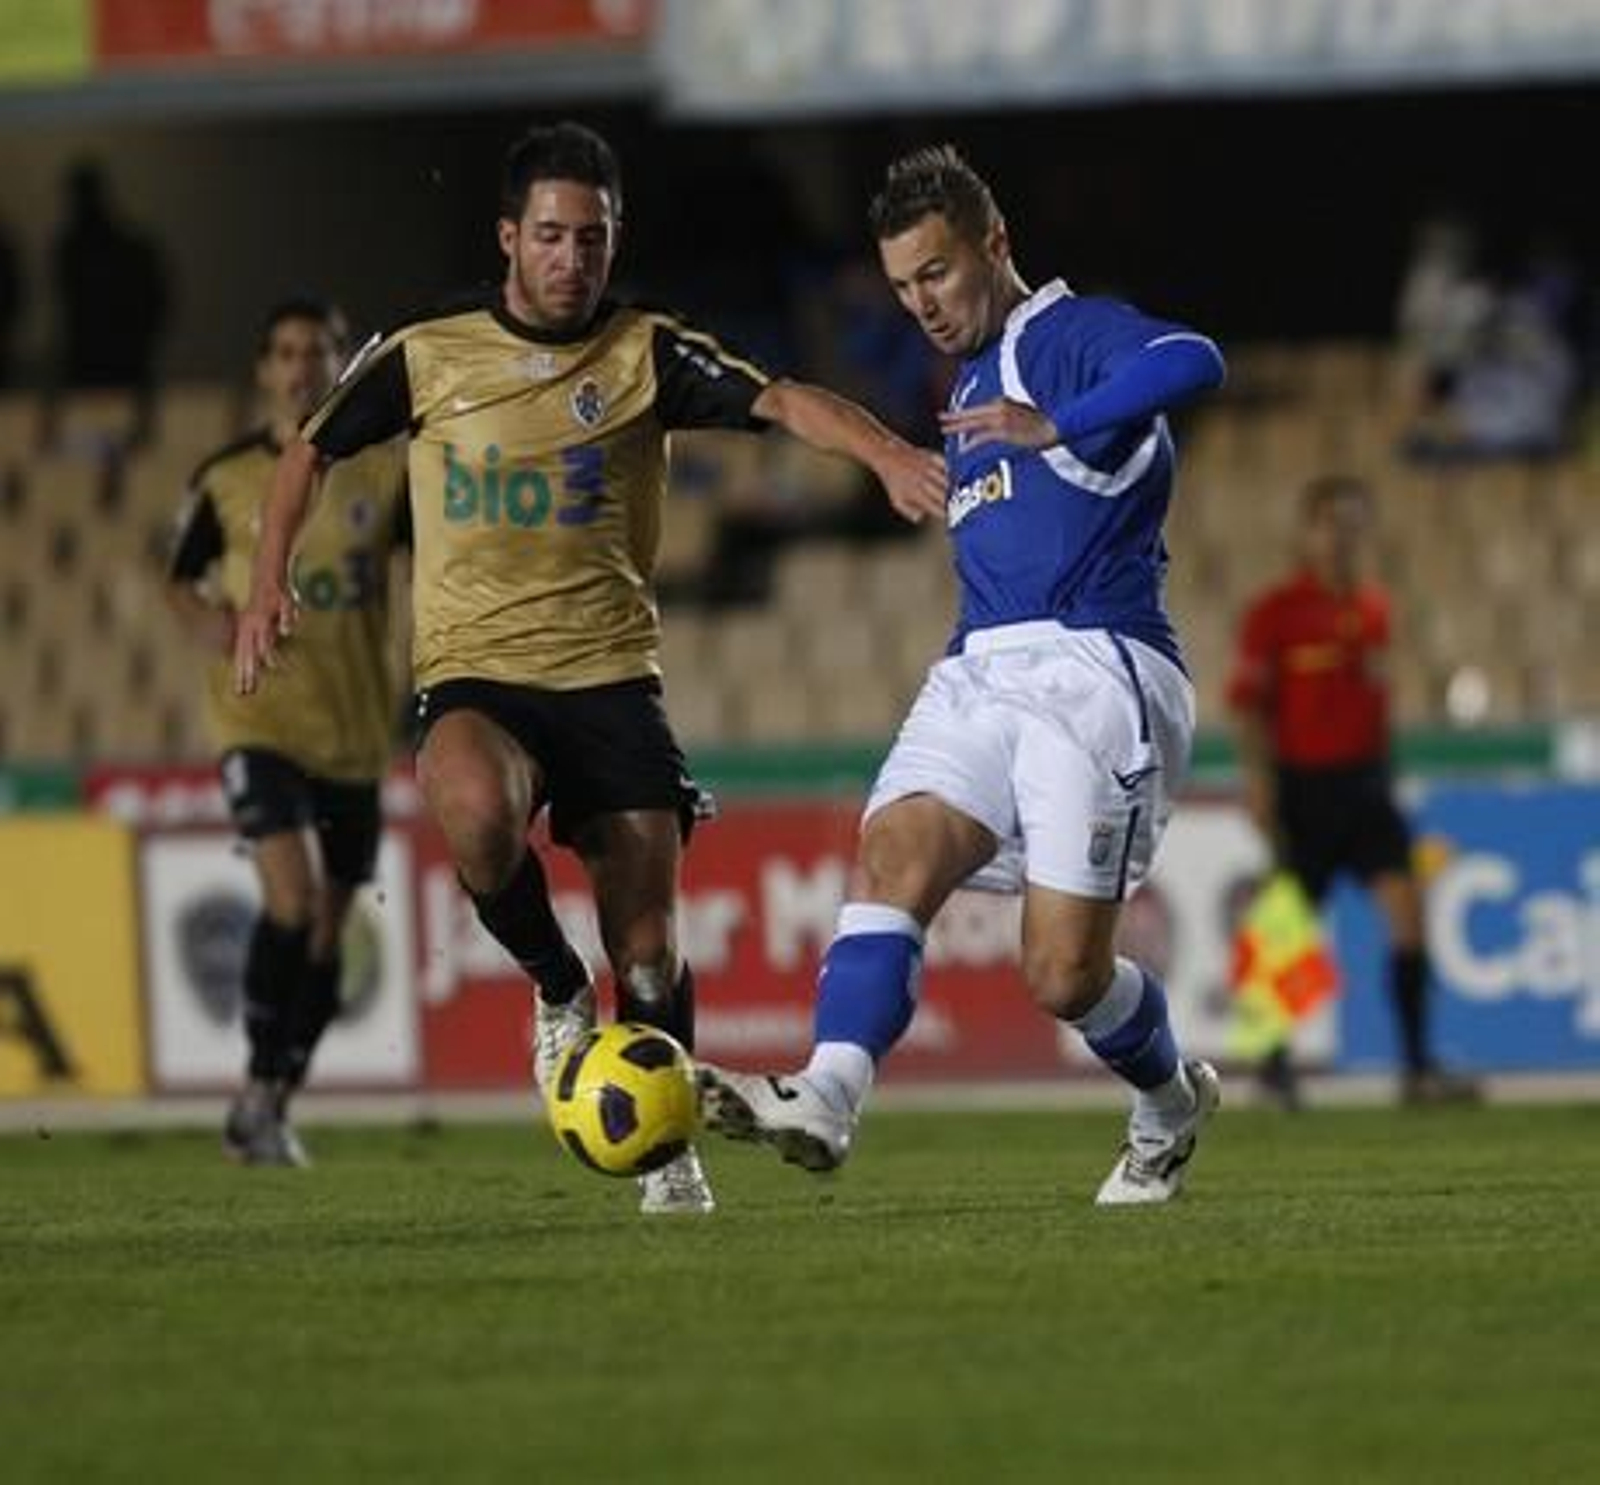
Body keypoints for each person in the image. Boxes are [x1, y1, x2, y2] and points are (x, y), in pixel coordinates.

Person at [232, 122, 945, 1215]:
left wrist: (889, 452)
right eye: (553, 236)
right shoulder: (429, 351)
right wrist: (266, 580)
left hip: (611, 680)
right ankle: (559, 990)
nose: (573, 259)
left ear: (616, 240)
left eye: (593, 239)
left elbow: (783, 398)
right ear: (509, 238)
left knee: (649, 955)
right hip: (475, 671)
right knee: (473, 806)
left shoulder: (643, 352)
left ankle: (668, 1154)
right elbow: (309, 450)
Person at [694, 144, 1227, 1206]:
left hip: (1093, 664)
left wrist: (1061, 422)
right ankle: (827, 1094)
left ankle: (1171, 1101)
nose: (922, 305)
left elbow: (1195, 358)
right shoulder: (972, 383)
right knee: (894, 848)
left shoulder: (1063, 338)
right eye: (903, 287)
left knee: (1063, 976)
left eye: (936, 272)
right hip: (979, 668)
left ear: (995, 244)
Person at [165, 298, 410, 1165]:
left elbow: (440, 554)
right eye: (286, 352)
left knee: (328, 931)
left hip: (354, 728)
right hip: (257, 716)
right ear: (265, 369)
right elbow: (178, 578)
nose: (302, 366)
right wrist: (213, 624)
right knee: (293, 899)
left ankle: (268, 1098)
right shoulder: (227, 476)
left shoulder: (384, 472)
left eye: (318, 350)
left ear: (343, 362)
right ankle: (259, 1089)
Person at [1225, 475, 1482, 1107]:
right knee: (1287, 927)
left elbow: (1377, 706)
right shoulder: (1276, 613)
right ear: (1308, 531)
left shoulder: (1373, 609)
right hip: (1303, 787)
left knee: (1408, 912)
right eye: (1331, 523)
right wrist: (1259, 781)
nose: (1341, 536)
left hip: (1367, 786)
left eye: (1352, 523)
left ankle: (1417, 1068)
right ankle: (1272, 1065)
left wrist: (1388, 777)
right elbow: (1248, 706)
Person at [44, 160, 171, 448]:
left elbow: (154, 302)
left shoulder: (125, 249)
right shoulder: (72, 249)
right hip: (95, 358)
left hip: (118, 356)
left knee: (134, 444)